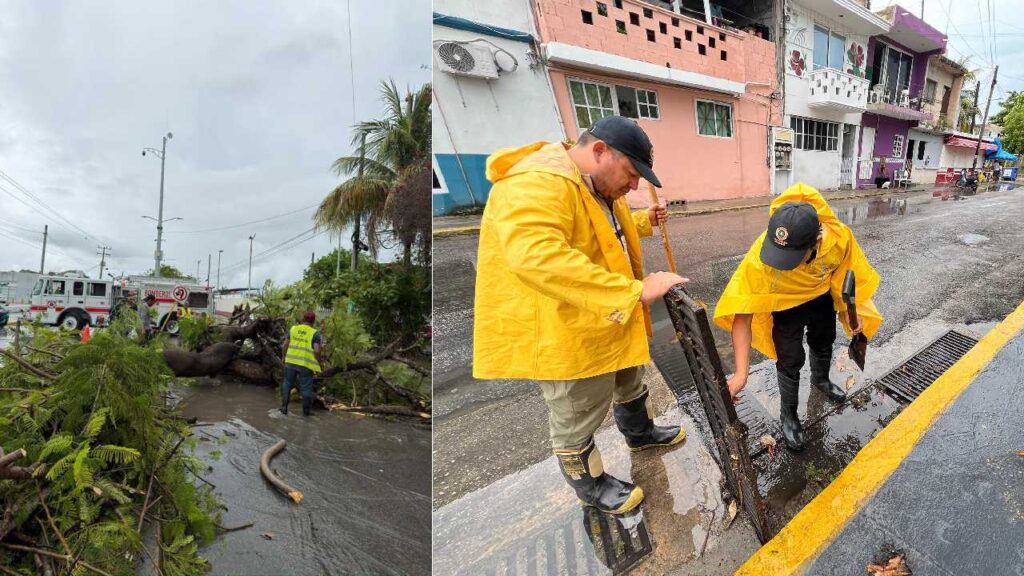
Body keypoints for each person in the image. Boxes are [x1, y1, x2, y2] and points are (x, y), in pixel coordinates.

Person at [473, 116, 689, 515]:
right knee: (576, 411)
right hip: (568, 329)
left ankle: (639, 433)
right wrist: (635, 291)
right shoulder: (538, 181)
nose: (635, 186)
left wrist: (642, 222)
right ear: (599, 151)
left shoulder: (593, 183)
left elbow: (601, 231)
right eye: (631, 173)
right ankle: (589, 484)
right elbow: (537, 257)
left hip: (608, 316)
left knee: (630, 378)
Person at [714, 183, 883, 451]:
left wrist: (853, 312)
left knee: (823, 339)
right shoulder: (761, 256)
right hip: (785, 304)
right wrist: (741, 374)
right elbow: (742, 313)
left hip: (820, 297)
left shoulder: (839, 240)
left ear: (816, 241)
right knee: (789, 357)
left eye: (790, 256)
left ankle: (821, 379)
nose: (779, 260)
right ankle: (789, 415)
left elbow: (849, 278)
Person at [281, 310, 323, 416]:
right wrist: (318, 362)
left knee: (287, 384)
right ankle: (306, 412)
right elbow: (317, 350)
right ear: (313, 321)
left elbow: (285, 345)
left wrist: (284, 357)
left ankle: (284, 408)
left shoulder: (293, 329)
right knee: (306, 388)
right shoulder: (315, 333)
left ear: (303, 319)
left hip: (290, 362)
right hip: (305, 365)